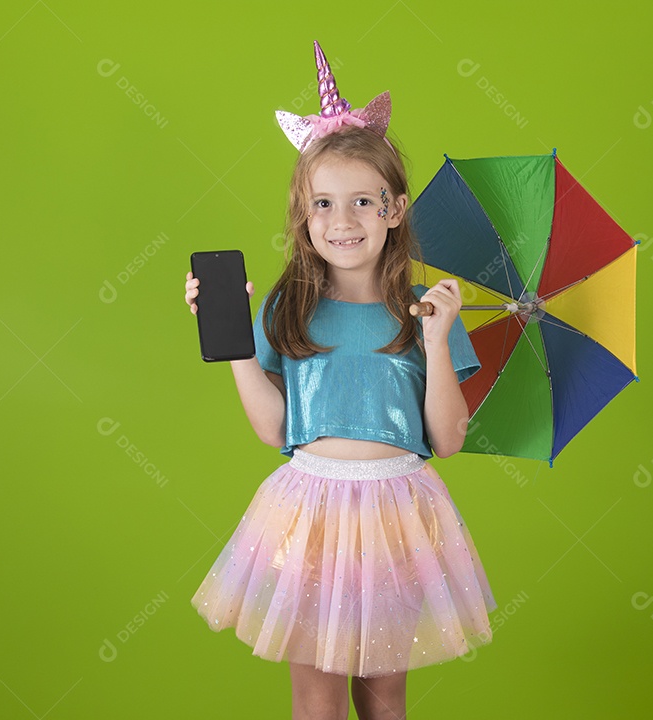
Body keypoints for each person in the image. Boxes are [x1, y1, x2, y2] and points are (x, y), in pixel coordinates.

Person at [184, 41, 496, 720]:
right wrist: (235, 338)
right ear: (303, 214)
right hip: (310, 513)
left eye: (362, 201)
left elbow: (446, 439)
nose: (342, 220)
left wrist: (439, 343)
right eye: (323, 204)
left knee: (384, 699)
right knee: (316, 700)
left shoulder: (424, 314)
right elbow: (273, 430)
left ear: (395, 209)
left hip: (397, 515)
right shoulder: (288, 307)